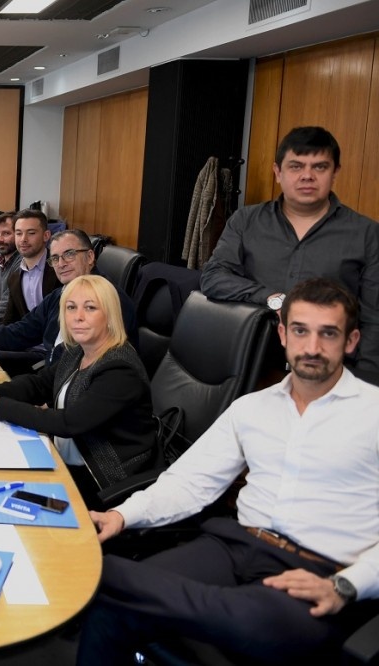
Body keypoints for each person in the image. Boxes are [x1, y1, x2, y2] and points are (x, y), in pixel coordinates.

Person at [79, 277, 379, 665]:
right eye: (301, 331)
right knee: (111, 614)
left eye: (329, 334)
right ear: (283, 335)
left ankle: (98, 575)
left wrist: (346, 585)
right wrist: (122, 515)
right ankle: (111, 579)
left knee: (248, 621)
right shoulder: (251, 409)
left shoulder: (372, 413)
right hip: (234, 548)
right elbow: (190, 481)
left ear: (351, 341)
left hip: (320, 572)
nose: (312, 347)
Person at [201, 126, 379, 385]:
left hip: (327, 374)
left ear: (335, 173)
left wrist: (367, 386)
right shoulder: (245, 221)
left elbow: (374, 317)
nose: (307, 176)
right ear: (278, 172)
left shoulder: (368, 234)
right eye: (296, 166)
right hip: (250, 367)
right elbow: (213, 277)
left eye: (319, 167)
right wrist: (272, 298)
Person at [0, 274, 155, 502]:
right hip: (66, 457)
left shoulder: (119, 370)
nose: (78, 317)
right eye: (71, 307)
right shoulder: (77, 350)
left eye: (90, 308)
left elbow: (67, 422)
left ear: (110, 315)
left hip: (103, 480)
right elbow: (40, 383)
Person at [0, 229, 137, 376]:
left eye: (69, 254)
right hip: (51, 375)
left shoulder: (111, 300)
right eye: (55, 258)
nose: (61, 264)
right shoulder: (61, 293)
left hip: (71, 385)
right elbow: (22, 331)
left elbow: (94, 369)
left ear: (90, 257)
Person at [0, 208, 60, 325]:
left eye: (31, 233)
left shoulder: (60, 267)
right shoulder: (15, 277)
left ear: (46, 236)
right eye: (19, 233)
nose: (23, 239)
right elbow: (9, 321)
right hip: (27, 335)